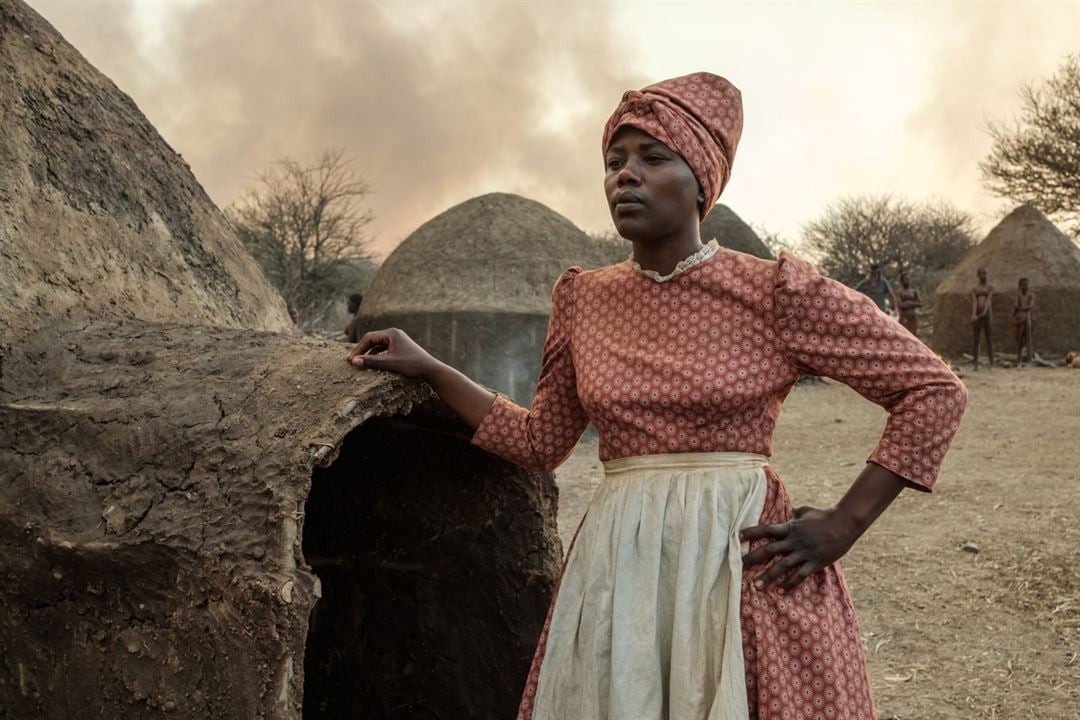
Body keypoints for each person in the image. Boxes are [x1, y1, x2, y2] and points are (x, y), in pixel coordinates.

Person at [347, 72, 967, 720]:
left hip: (737, 561)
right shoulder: (584, 299)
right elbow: (541, 443)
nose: (625, 176)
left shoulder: (774, 292)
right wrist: (435, 371)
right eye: (615, 162)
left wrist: (844, 524)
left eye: (652, 158)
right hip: (622, 564)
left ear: (700, 176)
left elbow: (932, 389)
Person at [971, 267, 994, 370]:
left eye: (986, 273)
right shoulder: (975, 289)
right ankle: (975, 364)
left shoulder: (990, 287)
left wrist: (984, 312)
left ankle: (991, 363)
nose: (984, 275)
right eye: (982, 273)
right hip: (978, 316)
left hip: (987, 315)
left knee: (989, 339)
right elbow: (974, 302)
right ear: (978, 275)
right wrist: (974, 314)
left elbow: (988, 300)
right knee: (976, 340)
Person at [1011, 277, 1035, 365]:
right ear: (1020, 286)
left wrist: (1021, 309)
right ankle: (1019, 360)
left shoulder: (1031, 296)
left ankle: (1029, 360)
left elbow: (1030, 306)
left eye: (1027, 285)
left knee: (1028, 338)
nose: (1026, 286)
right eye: (1024, 285)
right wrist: (1013, 317)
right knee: (1020, 339)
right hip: (1019, 319)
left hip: (1027, 318)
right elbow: (1016, 306)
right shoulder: (1018, 296)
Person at [897, 271, 922, 336]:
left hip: (913, 316)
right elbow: (900, 305)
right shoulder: (900, 292)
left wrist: (908, 303)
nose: (908, 281)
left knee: (913, 335)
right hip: (904, 317)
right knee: (904, 335)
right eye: (906, 279)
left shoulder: (914, 291)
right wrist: (913, 304)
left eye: (909, 279)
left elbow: (920, 304)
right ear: (902, 281)